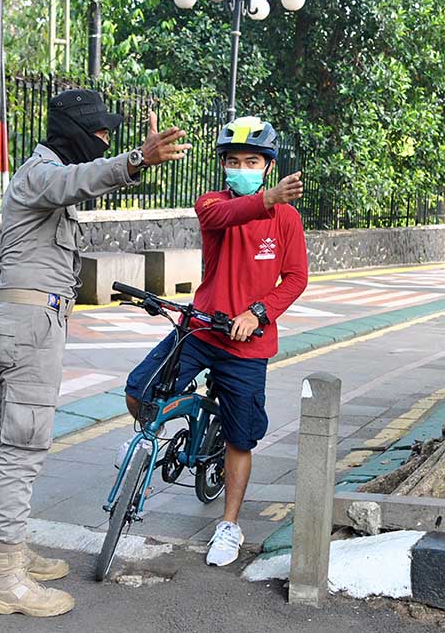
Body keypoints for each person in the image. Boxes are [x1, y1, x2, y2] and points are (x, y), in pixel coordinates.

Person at [0, 89, 190, 617]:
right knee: (23, 448)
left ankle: (15, 552)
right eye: (102, 131)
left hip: (34, 320)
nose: (107, 138)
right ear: (75, 129)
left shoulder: (42, 178)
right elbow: (76, 182)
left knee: (23, 443)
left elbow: (5, 249)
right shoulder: (42, 172)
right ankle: (5, 578)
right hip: (31, 326)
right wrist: (136, 159)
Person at [124, 116, 308, 567]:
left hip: (248, 343)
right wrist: (265, 199)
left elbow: (296, 278)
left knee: (240, 441)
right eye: (233, 161)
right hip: (201, 327)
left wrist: (258, 312)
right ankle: (166, 433)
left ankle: (229, 525)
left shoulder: (287, 219)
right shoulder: (212, 204)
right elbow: (225, 215)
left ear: (266, 166)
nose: (241, 168)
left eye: (251, 161)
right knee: (138, 390)